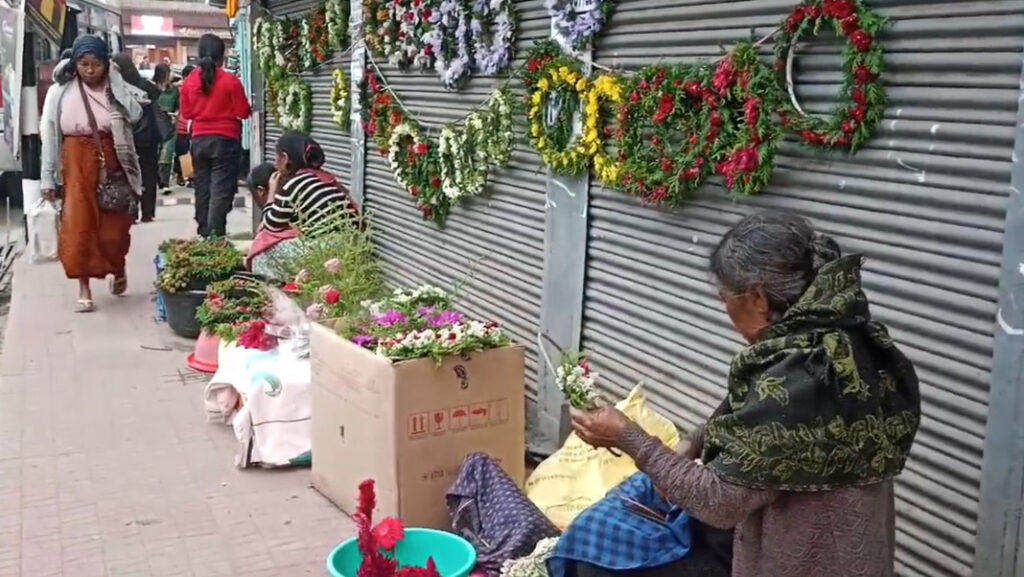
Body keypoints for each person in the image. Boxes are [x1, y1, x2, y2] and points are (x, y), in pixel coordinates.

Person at [570, 211, 922, 577]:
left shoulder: (804, 371)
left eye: (724, 298)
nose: (725, 311)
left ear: (756, 298)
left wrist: (628, 436)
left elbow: (719, 501)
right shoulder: (844, 337)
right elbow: (763, 422)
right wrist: (695, 441)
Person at [40, 35, 147, 312]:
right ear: (74, 64)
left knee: (116, 227)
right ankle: (83, 287)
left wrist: (117, 81)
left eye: (96, 64)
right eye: (84, 64)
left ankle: (118, 265)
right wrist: (47, 178)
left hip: (113, 160)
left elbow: (135, 115)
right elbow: (49, 136)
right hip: (74, 162)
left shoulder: (114, 87)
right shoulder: (59, 92)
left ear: (106, 64)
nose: (90, 70)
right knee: (78, 225)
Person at [246, 132, 359, 278]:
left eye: (277, 157)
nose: (275, 164)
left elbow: (271, 225)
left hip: (329, 246)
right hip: (354, 243)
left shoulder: (293, 184)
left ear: (285, 159)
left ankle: (281, 290)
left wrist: (272, 193)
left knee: (261, 254)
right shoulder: (324, 178)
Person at [180, 33, 251, 237]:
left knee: (202, 186)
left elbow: (187, 113)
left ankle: (204, 230)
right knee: (221, 188)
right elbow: (243, 112)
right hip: (226, 141)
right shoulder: (231, 81)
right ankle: (214, 233)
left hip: (199, 141)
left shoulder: (190, 82)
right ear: (222, 56)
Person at [112, 53, 162, 223]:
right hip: (148, 137)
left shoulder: (118, 88)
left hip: (127, 137)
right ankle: (147, 212)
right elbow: (157, 95)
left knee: (128, 174)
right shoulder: (145, 85)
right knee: (149, 174)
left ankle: (131, 213)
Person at [153, 62, 179, 194]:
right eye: (170, 72)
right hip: (154, 124)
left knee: (167, 153)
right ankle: (155, 180)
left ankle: (164, 183)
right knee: (156, 153)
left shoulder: (174, 90)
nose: (172, 75)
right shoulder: (152, 88)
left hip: (169, 124)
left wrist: (175, 114)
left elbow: (179, 106)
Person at [174, 64, 195, 187]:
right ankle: (187, 177)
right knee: (187, 153)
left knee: (182, 153)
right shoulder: (190, 88)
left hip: (182, 126)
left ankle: (183, 176)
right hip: (188, 125)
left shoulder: (177, 89)